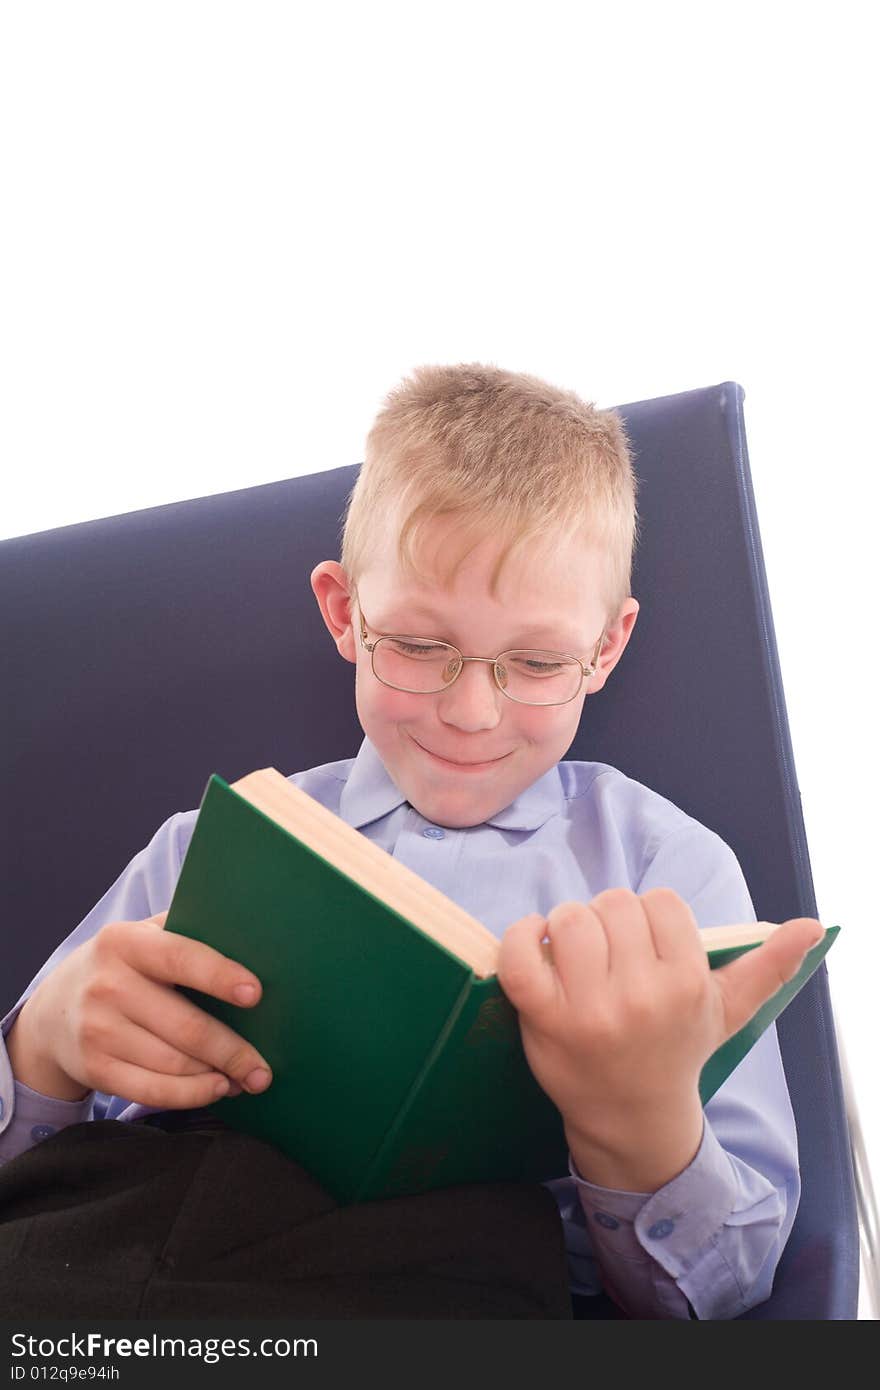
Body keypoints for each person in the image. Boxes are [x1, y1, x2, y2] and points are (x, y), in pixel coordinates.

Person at [0, 362, 823, 1320]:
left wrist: (637, 1126)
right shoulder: (208, 847)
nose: (472, 712)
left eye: (538, 661)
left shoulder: (667, 875)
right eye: (422, 648)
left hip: (449, 1283)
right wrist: (43, 1049)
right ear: (346, 614)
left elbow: (725, 1293)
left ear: (606, 648)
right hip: (126, 1241)